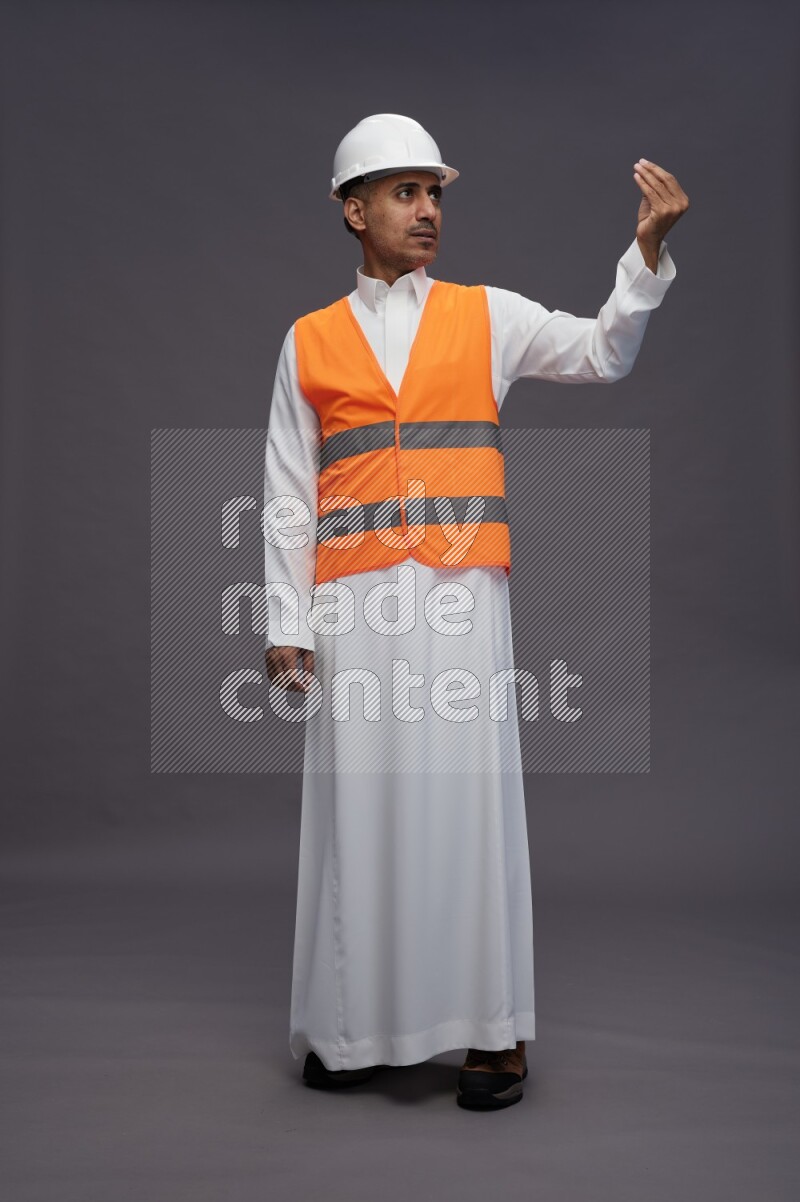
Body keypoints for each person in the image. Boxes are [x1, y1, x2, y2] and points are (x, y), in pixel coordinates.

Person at [263, 113, 688, 1110]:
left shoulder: (484, 315)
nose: (425, 210)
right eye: (404, 192)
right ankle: (352, 1026)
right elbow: (287, 489)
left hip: (459, 602)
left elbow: (597, 353)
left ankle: (494, 1034)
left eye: (435, 192)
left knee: (466, 805)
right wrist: (284, 623)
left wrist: (643, 256)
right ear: (350, 208)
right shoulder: (308, 342)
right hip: (352, 604)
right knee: (356, 812)